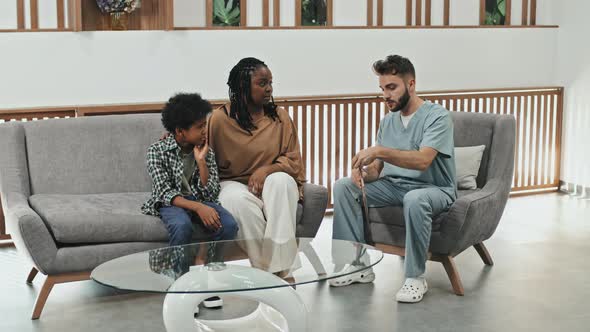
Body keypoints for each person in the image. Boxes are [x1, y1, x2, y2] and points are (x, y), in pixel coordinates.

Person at [329, 55, 457, 303]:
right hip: (394, 186)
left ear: (411, 84)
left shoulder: (437, 116)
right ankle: (357, 265)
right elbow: (378, 171)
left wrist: (378, 150)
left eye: (391, 87)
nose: (385, 95)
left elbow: (422, 161)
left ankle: (415, 277)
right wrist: (362, 173)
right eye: (382, 89)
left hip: (434, 188)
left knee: (415, 198)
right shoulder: (388, 121)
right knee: (344, 187)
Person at [208, 57, 305, 274]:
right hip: (232, 183)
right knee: (236, 201)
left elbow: (294, 160)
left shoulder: (279, 117)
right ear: (243, 87)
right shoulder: (219, 119)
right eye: (262, 83)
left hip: (271, 181)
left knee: (281, 182)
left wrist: (267, 170)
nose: (269, 89)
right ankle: (279, 274)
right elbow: (205, 158)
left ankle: (268, 277)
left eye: (270, 83)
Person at [142, 92, 239, 310]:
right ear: (180, 132)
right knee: (181, 225)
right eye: (199, 127)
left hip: (199, 199)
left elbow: (211, 192)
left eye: (204, 125)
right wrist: (198, 208)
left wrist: (201, 162)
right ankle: (180, 285)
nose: (204, 131)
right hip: (172, 203)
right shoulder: (156, 151)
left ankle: (208, 279)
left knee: (229, 225)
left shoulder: (206, 151)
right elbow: (165, 192)